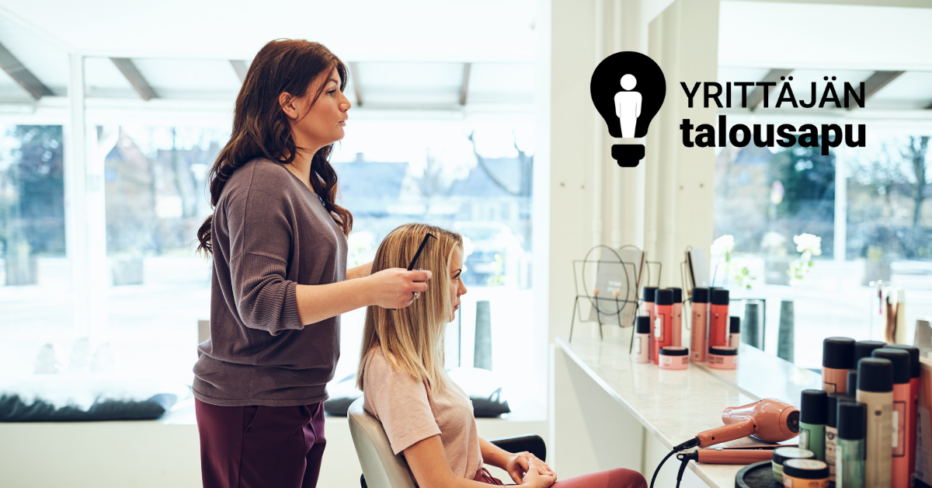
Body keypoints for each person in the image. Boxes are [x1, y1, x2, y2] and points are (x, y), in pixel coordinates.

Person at [191, 39, 431, 488]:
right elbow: (261, 303)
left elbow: (312, 283)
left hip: (292, 398)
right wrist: (371, 291)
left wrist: (378, 275)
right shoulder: (262, 182)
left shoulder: (297, 185)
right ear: (290, 104)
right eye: (331, 91)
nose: (346, 103)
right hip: (255, 402)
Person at [357, 223, 648, 488]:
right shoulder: (396, 374)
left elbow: (444, 436)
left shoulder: (403, 361)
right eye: (455, 277)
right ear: (420, 287)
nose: (463, 289)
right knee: (628, 482)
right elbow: (438, 484)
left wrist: (507, 458)